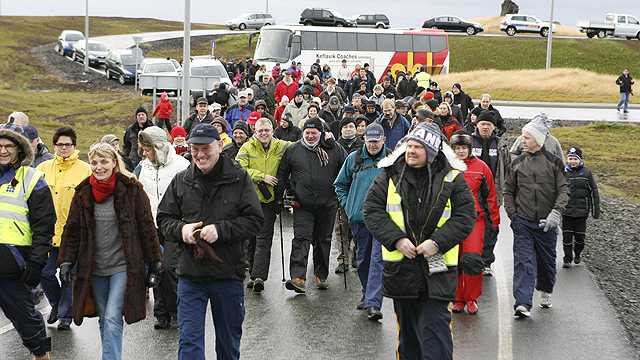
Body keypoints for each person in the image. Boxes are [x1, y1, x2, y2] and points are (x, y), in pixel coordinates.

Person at [363, 123, 475, 360]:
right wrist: (396, 239)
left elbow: (465, 216)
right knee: (409, 338)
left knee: (435, 333)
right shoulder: (390, 174)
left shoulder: (453, 178)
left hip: (438, 267)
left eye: (417, 147)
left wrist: (437, 242)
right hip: (401, 268)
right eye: (408, 146)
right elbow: (372, 210)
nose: (410, 151)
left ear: (432, 152)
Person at [157, 124, 263, 359]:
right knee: (189, 344)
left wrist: (222, 230)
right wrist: (181, 229)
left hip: (227, 274)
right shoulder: (182, 179)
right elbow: (164, 219)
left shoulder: (239, 177)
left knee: (228, 345)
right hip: (190, 275)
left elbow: (255, 220)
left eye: (206, 148)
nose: (200, 154)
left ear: (219, 146)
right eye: (195, 149)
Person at [58, 143, 163, 360]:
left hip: (123, 266)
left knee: (114, 316)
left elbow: (146, 226)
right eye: (94, 162)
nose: (99, 167)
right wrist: (66, 261)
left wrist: (154, 262)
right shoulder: (82, 192)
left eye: (104, 162)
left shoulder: (132, 189)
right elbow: (73, 229)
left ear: (115, 163)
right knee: (105, 317)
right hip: (95, 268)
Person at [504, 113, 569, 318]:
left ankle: (545, 290)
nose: (522, 140)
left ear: (538, 140)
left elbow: (564, 190)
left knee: (547, 263)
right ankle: (522, 303)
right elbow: (508, 190)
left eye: (526, 137)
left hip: (546, 225)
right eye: (522, 137)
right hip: (522, 222)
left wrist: (556, 214)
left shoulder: (554, 163)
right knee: (523, 262)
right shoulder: (517, 163)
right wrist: (513, 215)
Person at [0, 125, 56, 360]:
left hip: (13, 265)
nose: (3, 151)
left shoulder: (32, 178)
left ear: (19, 149)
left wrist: (36, 263)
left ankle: (41, 355)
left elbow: (44, 226)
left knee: (26, 319)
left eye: (8, 146)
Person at [276, 118, 347, 293]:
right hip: (302, 204)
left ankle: (321, 275)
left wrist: (334, 143)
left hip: (327, 203)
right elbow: (282, 173)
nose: (310, 136)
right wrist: (282, 196)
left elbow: (346, 167)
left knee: (323, 240)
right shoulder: (293, 150)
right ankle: (298, 278)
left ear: (321, 133)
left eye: (314, 133)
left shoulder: (333, 148)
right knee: (301, 239)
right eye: (307, 133)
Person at [37, 126, 92, 331]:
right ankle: (56, 305)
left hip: (73, 235)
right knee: (45, 272)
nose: (64, 148)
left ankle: (65, 317)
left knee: (69, 277)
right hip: (48, 234)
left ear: (74, 146)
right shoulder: (43, 167)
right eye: (60, 144)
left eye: (68, 144)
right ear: (54, 146)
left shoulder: (85, 169)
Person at [137, 127, 190, 330]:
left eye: (148, 149)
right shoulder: (146, 166)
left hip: (175, 225)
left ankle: (177, 311)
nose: (145, 154)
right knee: (156, 269)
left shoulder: (182, 166)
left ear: (158, 148)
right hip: (152, 226)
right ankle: (162, 314)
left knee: (169, 269)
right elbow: (142, 194)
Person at [334, 123, 388, 321]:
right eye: (369, 140)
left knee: (377, 260)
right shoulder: (354, 159)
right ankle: (367, 293)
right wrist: (348, 205)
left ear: (383, 140)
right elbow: (340, 184)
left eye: (376, 141)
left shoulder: (391, 160)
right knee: (363, 261)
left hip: (383, 220)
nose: (372, 145)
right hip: (359, 218)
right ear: (364, 139)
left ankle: (374, 303)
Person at [237, 119, 292, 292]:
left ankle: (258, 277)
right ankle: (254, 272)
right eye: (260, 130)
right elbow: (239, 168)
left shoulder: (281, 146)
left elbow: (300, 145)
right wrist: (262, 177)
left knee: (263, 239)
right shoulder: (246, 147)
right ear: (255, 130)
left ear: (273, 130)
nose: (264, 133)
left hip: (268, 202)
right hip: (248, 201)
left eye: (267, 130)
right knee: (250, 239)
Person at [449, 131, 500, 315]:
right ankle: (457, 299)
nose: (461, 151)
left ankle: (471, 298)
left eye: (464, 148)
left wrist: (494, 222)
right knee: (454, 261)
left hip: (475, 220)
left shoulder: (481, 167)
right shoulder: (446, 166)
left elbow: (491, 197)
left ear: (470, 149)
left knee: (472, 259)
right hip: (451, 221)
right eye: (457, 148)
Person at [470, 111, 510, 276]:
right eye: (482, 124)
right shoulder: (469, 143)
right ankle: (472, 258)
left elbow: (508, 170)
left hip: (493, 194)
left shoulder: (501, 145)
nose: (485, 127)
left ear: (494, 127)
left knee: (491, 226)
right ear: (476, 125)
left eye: (489, 124)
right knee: (472, 226)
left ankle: (486, 261)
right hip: (472, 193)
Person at [562, 146, 600, 268]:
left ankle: (577, 253)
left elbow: (594, 192)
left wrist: (596, 211)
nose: (572, 161)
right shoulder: (563, 173)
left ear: (580, 160)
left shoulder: (587, 173)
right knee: (567, 237)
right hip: (566, 211)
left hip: (581, 212)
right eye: (570, 159)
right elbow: (556, 191)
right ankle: (567, 259)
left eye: (575, 159)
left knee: (580, 237)